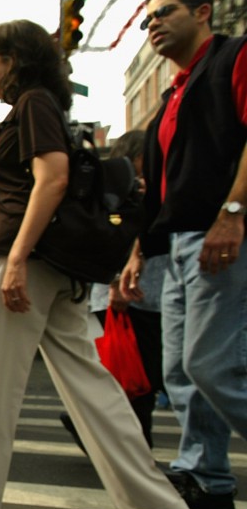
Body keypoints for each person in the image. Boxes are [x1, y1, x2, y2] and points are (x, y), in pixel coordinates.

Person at [0, 19, 201, 509]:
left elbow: (53, 177)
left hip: (25, 259)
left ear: (14, 58)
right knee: (91, 387)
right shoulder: (44, 104)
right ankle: (157, 505)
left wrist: (19, 258)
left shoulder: (32, 104)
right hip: (57, 266)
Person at [119, 0, 247, 509]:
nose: (153, 26)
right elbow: (164, 191)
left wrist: (234, 212)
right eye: (147, 20)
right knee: (179, 371)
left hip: (220, 237)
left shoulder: (232, 58)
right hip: (175, 248)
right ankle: (208, 480)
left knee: (209, 365)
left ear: (202, 12)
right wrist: (139, 251)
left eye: (164, 14)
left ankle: (205, 474)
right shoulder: (172, 94)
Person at [61, 130, 165, 451]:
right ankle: (133, 446)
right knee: (137, 378)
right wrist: (117, 280)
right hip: (127, 294)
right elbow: (117, 234)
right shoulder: (123, 185)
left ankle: (96, 426)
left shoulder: (117, 184)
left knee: (124, 374)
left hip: (122, 293)